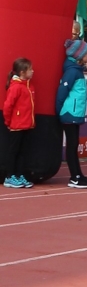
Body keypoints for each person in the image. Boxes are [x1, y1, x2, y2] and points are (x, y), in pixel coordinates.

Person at [56, 39, 87, 189]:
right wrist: (59, 110)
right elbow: (62, 92)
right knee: (72, 145)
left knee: (74, 145)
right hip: (69, 112)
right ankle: (75, 176)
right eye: (86, 54)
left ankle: (78, 175)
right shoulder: (72, 72)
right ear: (79, 56)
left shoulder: (76, 70)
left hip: (74, 113)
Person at [3, 58, 35, 189]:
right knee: (14, 151)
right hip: (16, 125)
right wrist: (8, 121)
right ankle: (9, 176)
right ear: (22, 72)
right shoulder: (16, 87)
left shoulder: (28, 86)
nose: (33, 71)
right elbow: (8, 106)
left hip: (26, 124)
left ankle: (19, 174)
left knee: (23, 152)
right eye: (30, 69)